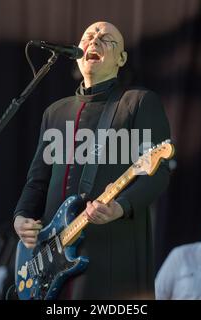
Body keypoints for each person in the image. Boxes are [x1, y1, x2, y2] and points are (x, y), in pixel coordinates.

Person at [13, 21, 171, 299]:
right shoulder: (55, 112)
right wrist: (21, 217)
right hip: (51, 259)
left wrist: (120, 207)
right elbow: (37, 180)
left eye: (106, 39)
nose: (94, 40)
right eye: (89, 36)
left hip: (108, 253)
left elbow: (157, 173)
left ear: (121, 59)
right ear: (78, 51)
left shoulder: (138, 103)